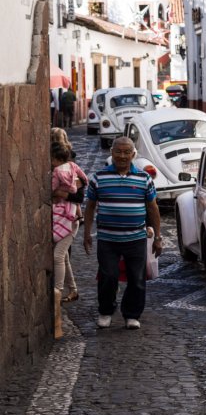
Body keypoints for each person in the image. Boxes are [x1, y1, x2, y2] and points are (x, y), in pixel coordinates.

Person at [83, 136, 162, 330]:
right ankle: (106, 311)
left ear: (133, 154)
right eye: (118, 151)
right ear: (112, 153)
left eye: (127, 152)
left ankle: (132, 315)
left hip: (136, 238)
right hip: (107, 239)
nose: (122, 156)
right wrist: (86, 233)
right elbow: (90, 207)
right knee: (108, 276)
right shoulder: (99, 177)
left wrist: (158, 237)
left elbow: (153, 208)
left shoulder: (144, 178)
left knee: (137, 279)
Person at [50, 141, 86, 337]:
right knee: (62, 256)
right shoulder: (72, 169)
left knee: (58, 256)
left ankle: (58, 290)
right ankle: (73, 290)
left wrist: (57, 192)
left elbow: (77, 194)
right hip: (68, 217)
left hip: (69, 218)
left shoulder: (63, 171)